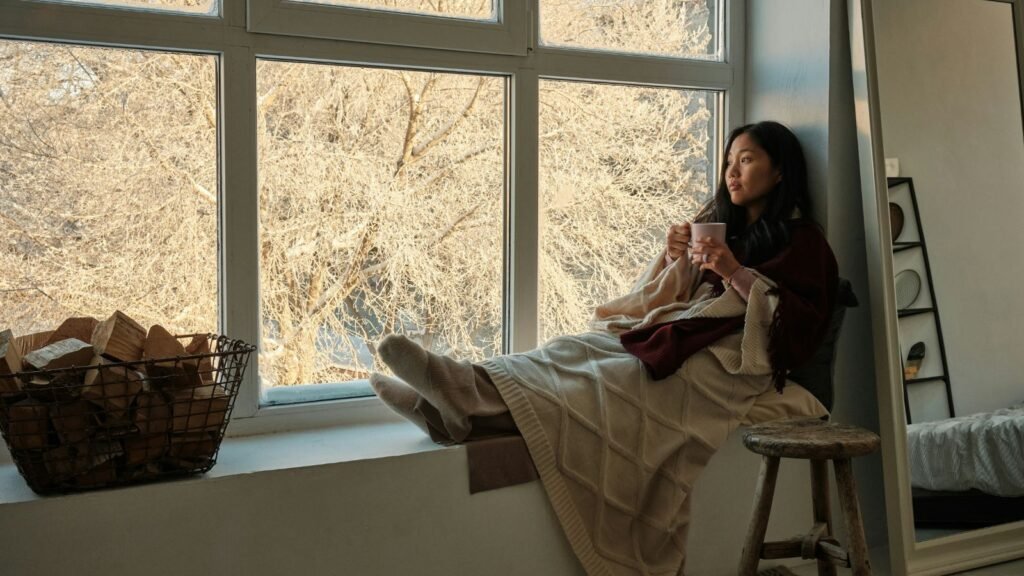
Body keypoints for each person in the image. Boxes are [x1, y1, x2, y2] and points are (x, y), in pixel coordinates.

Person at [370, 120, 837, 576]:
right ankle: (461, 391)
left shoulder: (806, 243)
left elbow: (795, 328)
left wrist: (733, 270)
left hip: (734, 361)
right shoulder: (722, 228)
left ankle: (459, 407)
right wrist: (675, 257)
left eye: (747, 160)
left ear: (779, 172)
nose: (731, 172)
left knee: (616, 378)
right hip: (681, 331)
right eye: (729, 161)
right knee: (578, 350)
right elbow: (666, 296)